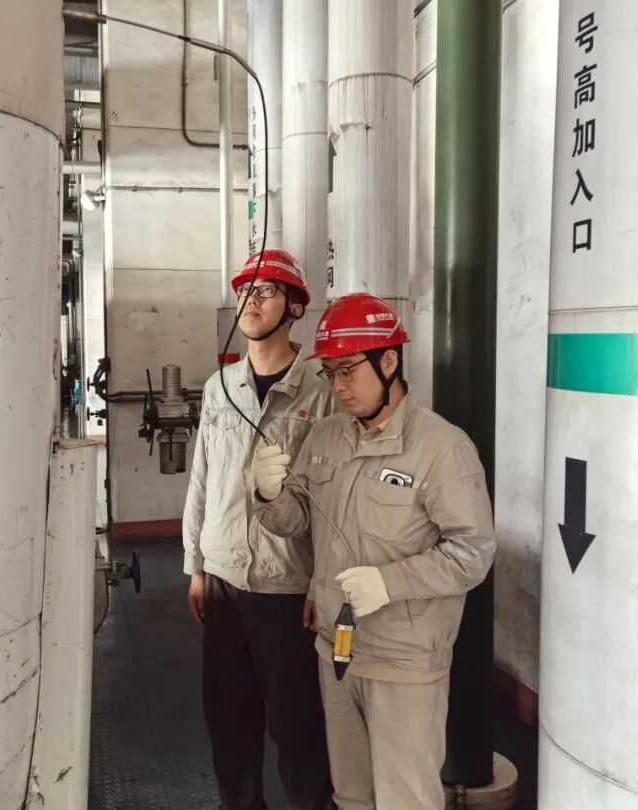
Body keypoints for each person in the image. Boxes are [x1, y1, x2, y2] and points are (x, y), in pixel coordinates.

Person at [252, 292, 495, 809]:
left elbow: (472, 552)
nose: (337, 387)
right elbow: (297, 521)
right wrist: (268, 496)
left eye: (348, 371)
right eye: (330, 374)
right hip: (336, 654)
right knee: (352, 796)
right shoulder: (325, 437)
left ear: (389, 362)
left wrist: (390, 582)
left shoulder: (442, 448)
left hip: (404, 662)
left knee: (405, 800)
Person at [183, 249, 335, 809]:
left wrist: (324, 583)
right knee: (229, 725)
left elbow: (334, 501)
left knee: (299, 730)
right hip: (223, 578)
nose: (250, 300)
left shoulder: (321, 391)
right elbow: (202, 480)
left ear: (295, 307)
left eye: (266, 291)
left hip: (288, 585)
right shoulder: (218, 387)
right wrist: (196, 567)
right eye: (245, 291)